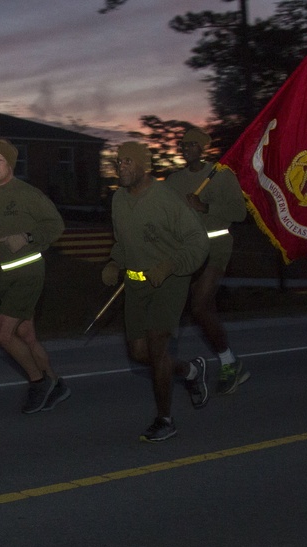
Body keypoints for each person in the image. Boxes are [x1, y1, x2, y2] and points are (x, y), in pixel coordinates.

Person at [101, 141, 210, 442]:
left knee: (157, 347)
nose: (121, 166)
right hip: (136, 284)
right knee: (139, 353)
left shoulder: (166, 200)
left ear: (142, 165)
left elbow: (198, 243)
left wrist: (170, 266)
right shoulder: (118, 201)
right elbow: (124, 242)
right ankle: (189, 371)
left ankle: (164, 420)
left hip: (168, 281)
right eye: (118, 161)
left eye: (127, 162)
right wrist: (114, 261)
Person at [0, 139, 68, 413]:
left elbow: (56, 225)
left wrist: (27, 237)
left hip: (28, 273)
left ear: (10, 164)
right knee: (27, 336)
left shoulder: (27, 194)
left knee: (2, 333)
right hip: (4, 279)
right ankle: (57, 384)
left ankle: (38, 382)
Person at [164, 128, 251, 395]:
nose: (186, 148)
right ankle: (171, 363)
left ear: (203, 148)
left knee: (200, 305)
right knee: (188, 308)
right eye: (183, 144)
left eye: (192, 144)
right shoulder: (172, 181)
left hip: (216, 246)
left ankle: (228, 363)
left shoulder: (221, 175)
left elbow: (240, 212)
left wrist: (205, 207)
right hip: (187, 250)